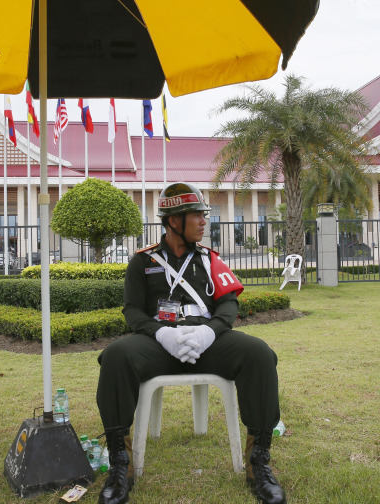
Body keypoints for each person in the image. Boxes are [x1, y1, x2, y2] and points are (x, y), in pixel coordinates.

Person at [95, 182, 286, 504]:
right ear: (174, 221)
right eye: (196, 215)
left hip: (205, 340)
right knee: (115, 356)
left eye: (203, 215)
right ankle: (120, 465)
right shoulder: (142, 262)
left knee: (259, 354)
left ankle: (259, 463)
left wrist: (210, 331)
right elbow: (132, 311)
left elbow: (228, 303)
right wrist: (161, 333)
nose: (203, 221)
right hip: (159, 343)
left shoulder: (210, 259)